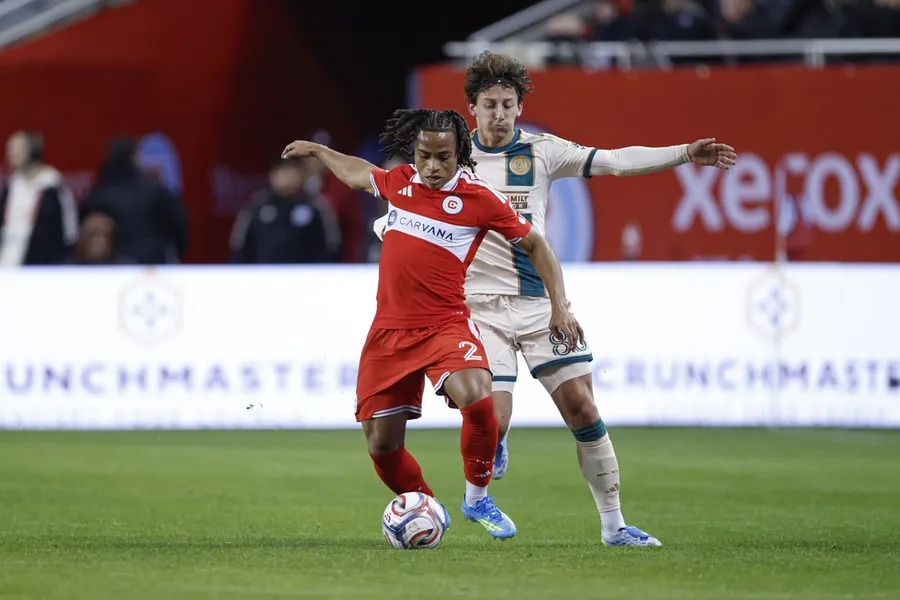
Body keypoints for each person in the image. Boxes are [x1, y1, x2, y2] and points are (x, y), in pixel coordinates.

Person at [375, 51, 737, 547]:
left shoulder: (543, 152)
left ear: (519, 108)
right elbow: (406, 204)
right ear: (471, 107)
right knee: (492, 416)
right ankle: (486, 466)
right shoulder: (451, 159)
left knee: (583, 407)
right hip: (477, 307)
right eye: (489, 105)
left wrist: (683, 153)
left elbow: (615, 162)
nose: (499, 114)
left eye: (507, 104)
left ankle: (614, 527)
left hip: (539, 305)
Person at [282, 108, 583, 540]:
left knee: (478, 397)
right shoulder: (400, 181)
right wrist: (318, 151)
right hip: (389, 332)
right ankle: (427, 508)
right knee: (382, 445)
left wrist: (560, 306)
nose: (433, 167)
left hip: (445, 324)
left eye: (444, 157)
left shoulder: (479, 198)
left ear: (460, 154)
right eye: (424, 156)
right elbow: (359, 174)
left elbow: (536, 244)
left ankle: (477, 498)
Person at [80, 136, 189, 265]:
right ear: (134, 158)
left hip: (112, 271)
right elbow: (180, 234)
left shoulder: (96, 196)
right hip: (151, 268)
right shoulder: (157, 192)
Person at [229, 156, 341, 264]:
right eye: (283, 171)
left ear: (302, 175)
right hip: (263, 274)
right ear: (272, 175)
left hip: (306, 274)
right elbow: (239, 245)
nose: (287, 177)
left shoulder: (317, 206)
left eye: (292, 171)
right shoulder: (256, 205)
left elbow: (332, 246)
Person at [0, 131, 78, 266]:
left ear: (33, 150)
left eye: (17, 149)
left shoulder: (52, 187)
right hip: (6, 261)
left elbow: (69, 229)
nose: (11, 154)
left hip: (39, 264)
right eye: (10, 149)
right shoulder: (10, 187)